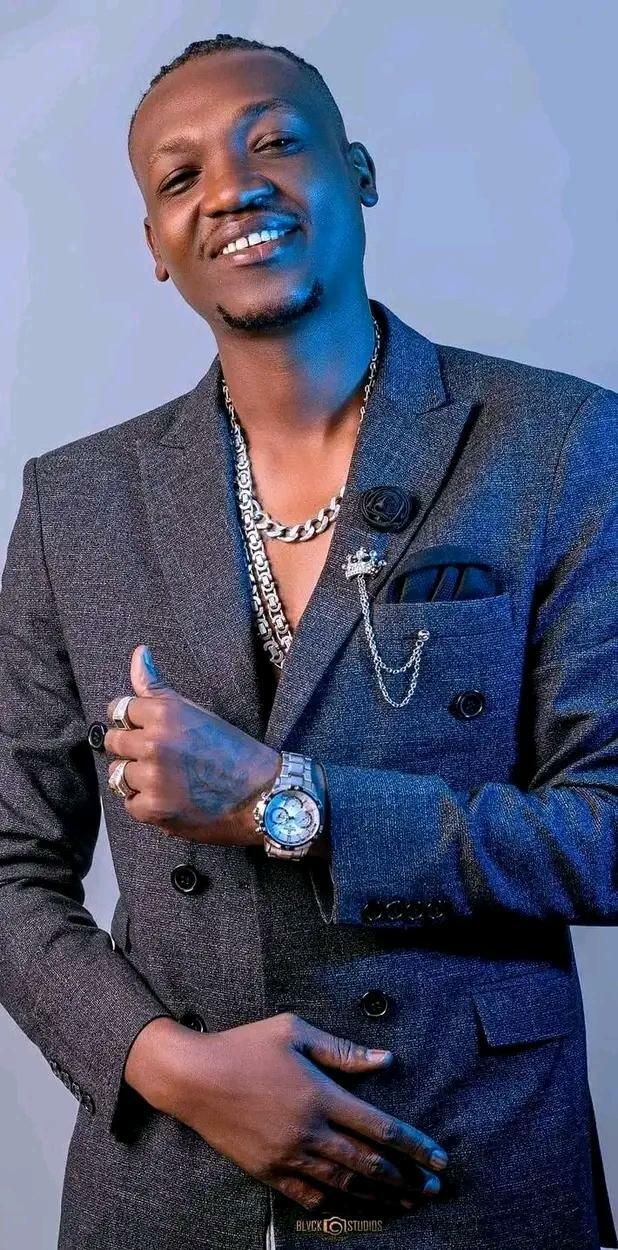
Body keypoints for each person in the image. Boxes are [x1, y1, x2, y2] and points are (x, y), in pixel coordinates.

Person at [0, 30, 616, 1250]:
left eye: (275, 141)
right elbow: (9, 865)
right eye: (181, 176)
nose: (232, 187)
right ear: (155, 244)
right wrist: (168, 1064)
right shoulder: (75, 502)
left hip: (473, 1166)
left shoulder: (559, 444)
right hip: (166, 1188)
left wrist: (289, 801)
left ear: (361, 173)